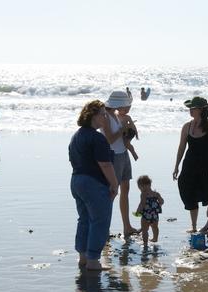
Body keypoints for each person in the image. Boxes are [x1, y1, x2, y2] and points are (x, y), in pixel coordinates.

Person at [70, 100, 119, 271]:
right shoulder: (97, 138)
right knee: (100, 221)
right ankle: (93, 260)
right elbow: (105, 164)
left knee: (84, 219)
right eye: (103, 114)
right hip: (93, 183)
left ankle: (83, 257)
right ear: (93, 116)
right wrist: (114, 184)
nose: (105, 117)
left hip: (76, 181)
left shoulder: (76, 136)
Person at [173, 96, 208, 232]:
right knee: (188, 192)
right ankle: (194, 227)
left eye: (193, 108)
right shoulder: (187, 126)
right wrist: (176, 165)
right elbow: (181, 147)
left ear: (201, 110)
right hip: (190, 166)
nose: (190, 110)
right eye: (190, 108)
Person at [101, 91, 139, 237]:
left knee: (125, 189)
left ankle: (127, 226)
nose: (127, 108)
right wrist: (123, 129)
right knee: (112, 192)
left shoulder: (116, 115)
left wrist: (127, 132)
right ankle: (105, 228)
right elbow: (110, 139)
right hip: (113, 156)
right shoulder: (105, 116)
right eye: (125, 105)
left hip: (123, 153)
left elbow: (120, 137)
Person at [135, 175, 164, 246]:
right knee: (155, 227)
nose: (140, 189)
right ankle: (155, 238)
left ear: (141, 186)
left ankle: (145, 243)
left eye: (140, 187)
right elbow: (162, 201)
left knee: (145, 229)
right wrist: (158, 205)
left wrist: (138, 211)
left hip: (146, 215)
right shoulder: (156, 194)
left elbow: (142, 204)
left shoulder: (143, 194)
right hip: (154, 215)